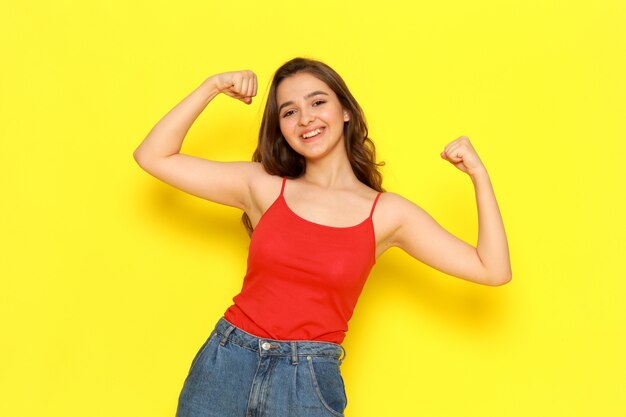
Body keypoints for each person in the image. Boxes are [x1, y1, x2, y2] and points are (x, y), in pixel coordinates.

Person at [133, 57, 512, 417]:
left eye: (317, 101)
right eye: (289, 111)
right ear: (280, 127)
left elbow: (492, 269)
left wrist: (479, 175)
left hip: (307, 381)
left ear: (345, 110)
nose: (305, 119)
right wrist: (211, 86)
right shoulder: (262, 186)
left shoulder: (388, 214)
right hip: (227, 363)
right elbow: (154, 156)